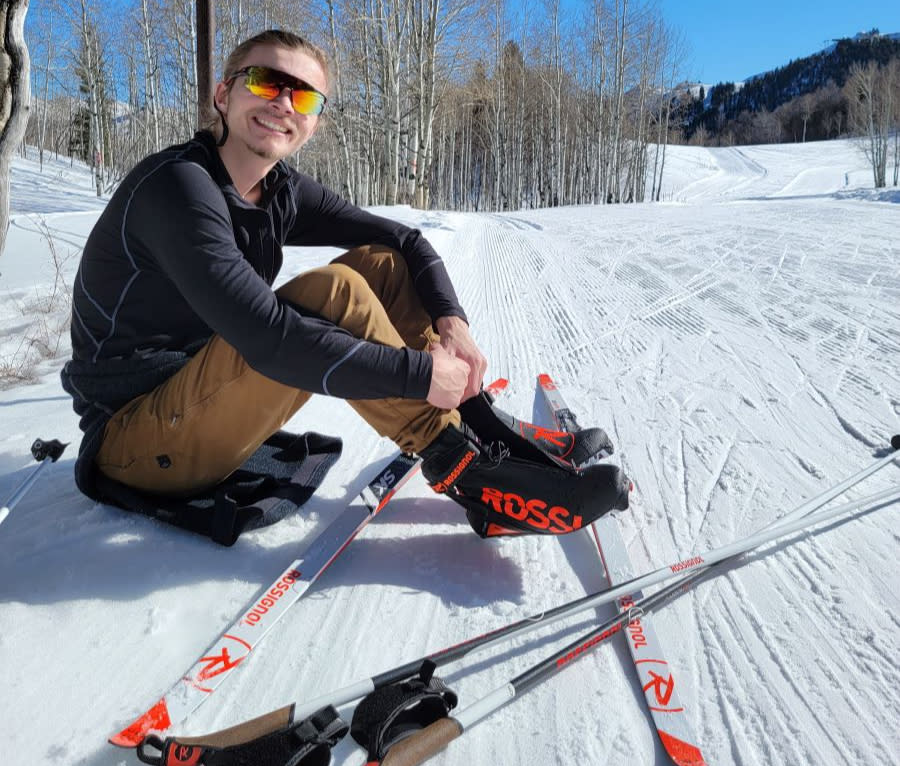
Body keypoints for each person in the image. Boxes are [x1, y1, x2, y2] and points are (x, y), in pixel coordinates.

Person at [61, 29, 629, 542]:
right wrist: (422, 374)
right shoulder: (180, 188)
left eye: (303, 96)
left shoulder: (278, 189)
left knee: (378, 265)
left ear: (314, 121)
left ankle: (486, 432)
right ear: (223, 95)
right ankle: (469, 474)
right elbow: (268, 339)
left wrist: (452, 322)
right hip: (134, 440)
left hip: (198, 399)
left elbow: (405, 242)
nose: (283, 102)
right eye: (266, 81)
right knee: (335, 293)